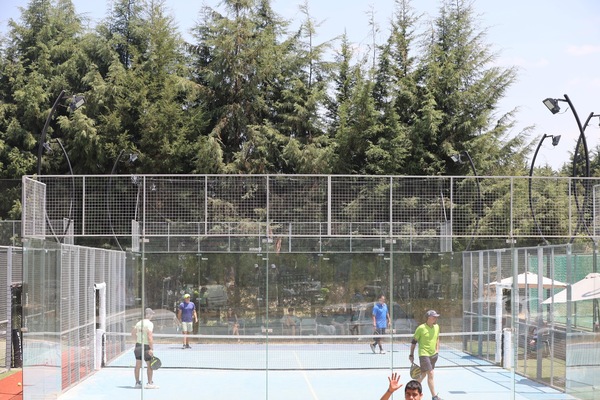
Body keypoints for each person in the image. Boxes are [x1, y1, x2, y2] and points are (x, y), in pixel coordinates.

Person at [409, 310, 442, 400]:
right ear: (428, 317)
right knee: (430, 373)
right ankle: (434, 396)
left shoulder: (437, 327)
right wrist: (411, 355)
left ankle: (411, 390)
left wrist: (437, 350)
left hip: (433, 355)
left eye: (436, 316)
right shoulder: (421, 328)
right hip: (423, 354)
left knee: (423, 374)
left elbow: (437, 338)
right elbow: (414, 342)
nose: (435, 318)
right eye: (434, 316)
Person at [131, 307, 158, 389]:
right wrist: (151, 348)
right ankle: (149, 383)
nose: (152, 316)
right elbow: (150, 337)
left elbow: (133, 334)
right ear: (148, 315)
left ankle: (137, 383)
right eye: (151, 314)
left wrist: (138, 341)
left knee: (137, 365)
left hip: (138, 345)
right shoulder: (150, 324)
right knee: (149, 365)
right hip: (146, 347)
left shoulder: (139, 323)